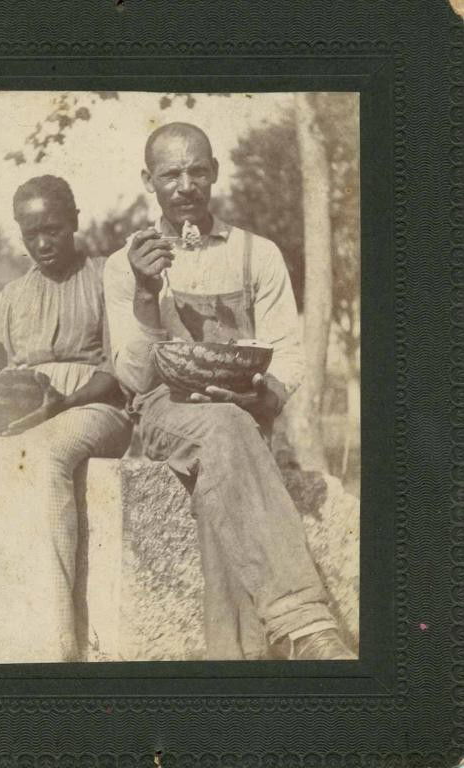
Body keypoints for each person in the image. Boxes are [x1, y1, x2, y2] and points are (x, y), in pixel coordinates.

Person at [103, 122, 354, 660]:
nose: (185, 186)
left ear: (214, 172)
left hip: (244, 411)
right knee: (225, 429)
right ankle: (304, 624)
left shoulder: (256, 253)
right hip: (167, 410)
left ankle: (236, 661)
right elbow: (134, 379)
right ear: (148, 180)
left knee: (224, 461)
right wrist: (146, 294)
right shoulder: (124, 265)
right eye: (170, 174)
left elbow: (287, 349)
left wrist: (269, 397)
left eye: (197, 171)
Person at [0, 175, 132, 661]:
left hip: (94, 406)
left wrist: (62, 402)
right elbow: (4, 375)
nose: (42, 243)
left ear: (75, 221)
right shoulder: (15, 292)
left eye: (53, 229)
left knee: (44, 457)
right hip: (31, 410)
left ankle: (59, 644)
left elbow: (119, 370)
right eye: (30, 233)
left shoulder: (107, 276)